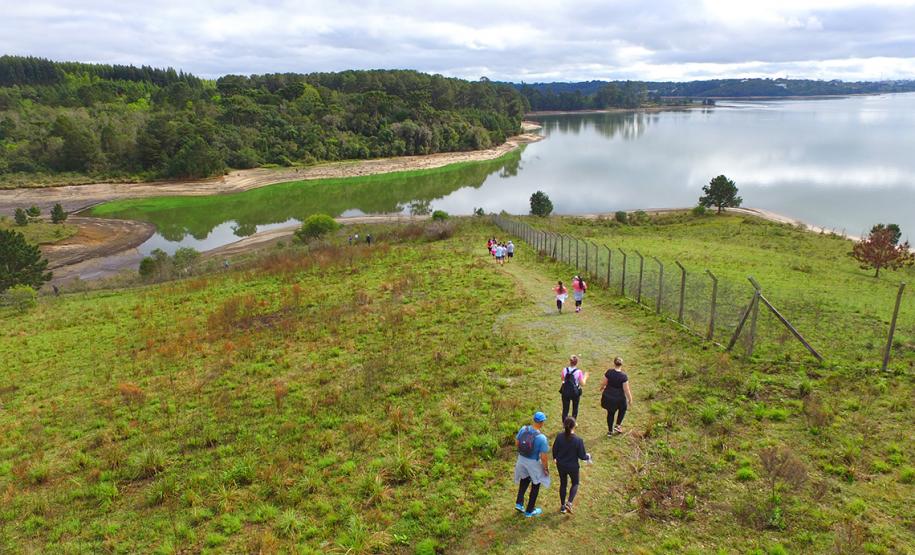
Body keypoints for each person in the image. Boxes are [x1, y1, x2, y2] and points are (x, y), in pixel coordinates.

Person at [514, 411, 551, 517]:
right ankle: (530, 510)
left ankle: (519, 503)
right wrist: (546, 468)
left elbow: (517, 443)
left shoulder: (523, 429)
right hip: (533, 462)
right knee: (536, 483)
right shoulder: (542, 438)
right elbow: (544, 458)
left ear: (533, 420)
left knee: (524, 479)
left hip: (521, 460)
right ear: (542, 422)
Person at [552, 417, 592, 514]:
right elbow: (582, 456)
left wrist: (555, 458)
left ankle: (562, 506)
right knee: (575, 483)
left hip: (561, 465)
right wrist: (588, 457)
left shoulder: (559, 436)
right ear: (574, 426)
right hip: (573, 467)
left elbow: (554, 449)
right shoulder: (578, 440)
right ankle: (569, 503)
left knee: (563, 484)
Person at [599, 357, 633, 437]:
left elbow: (604, 383)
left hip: (609, 397)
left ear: (614, 363)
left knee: (610, 413)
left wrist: (601, 388)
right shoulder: (623, 376)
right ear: (622, 364)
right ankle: (618, 425)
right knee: (623, 409)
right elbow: (626, 389)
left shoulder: (609, 372)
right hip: (619, 398)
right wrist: (630, 399)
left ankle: (610, 431)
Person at [559, 355, 588, 420]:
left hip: (565, 391)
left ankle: (564, 424)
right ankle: (573, 422)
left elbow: (562, 379)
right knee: (575, 408)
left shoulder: (564, 370)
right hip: (575, 392)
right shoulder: (579, 372)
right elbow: (582, 384)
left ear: (570, 361)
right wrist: (585, 377)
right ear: (577, 362)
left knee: (565, 409)